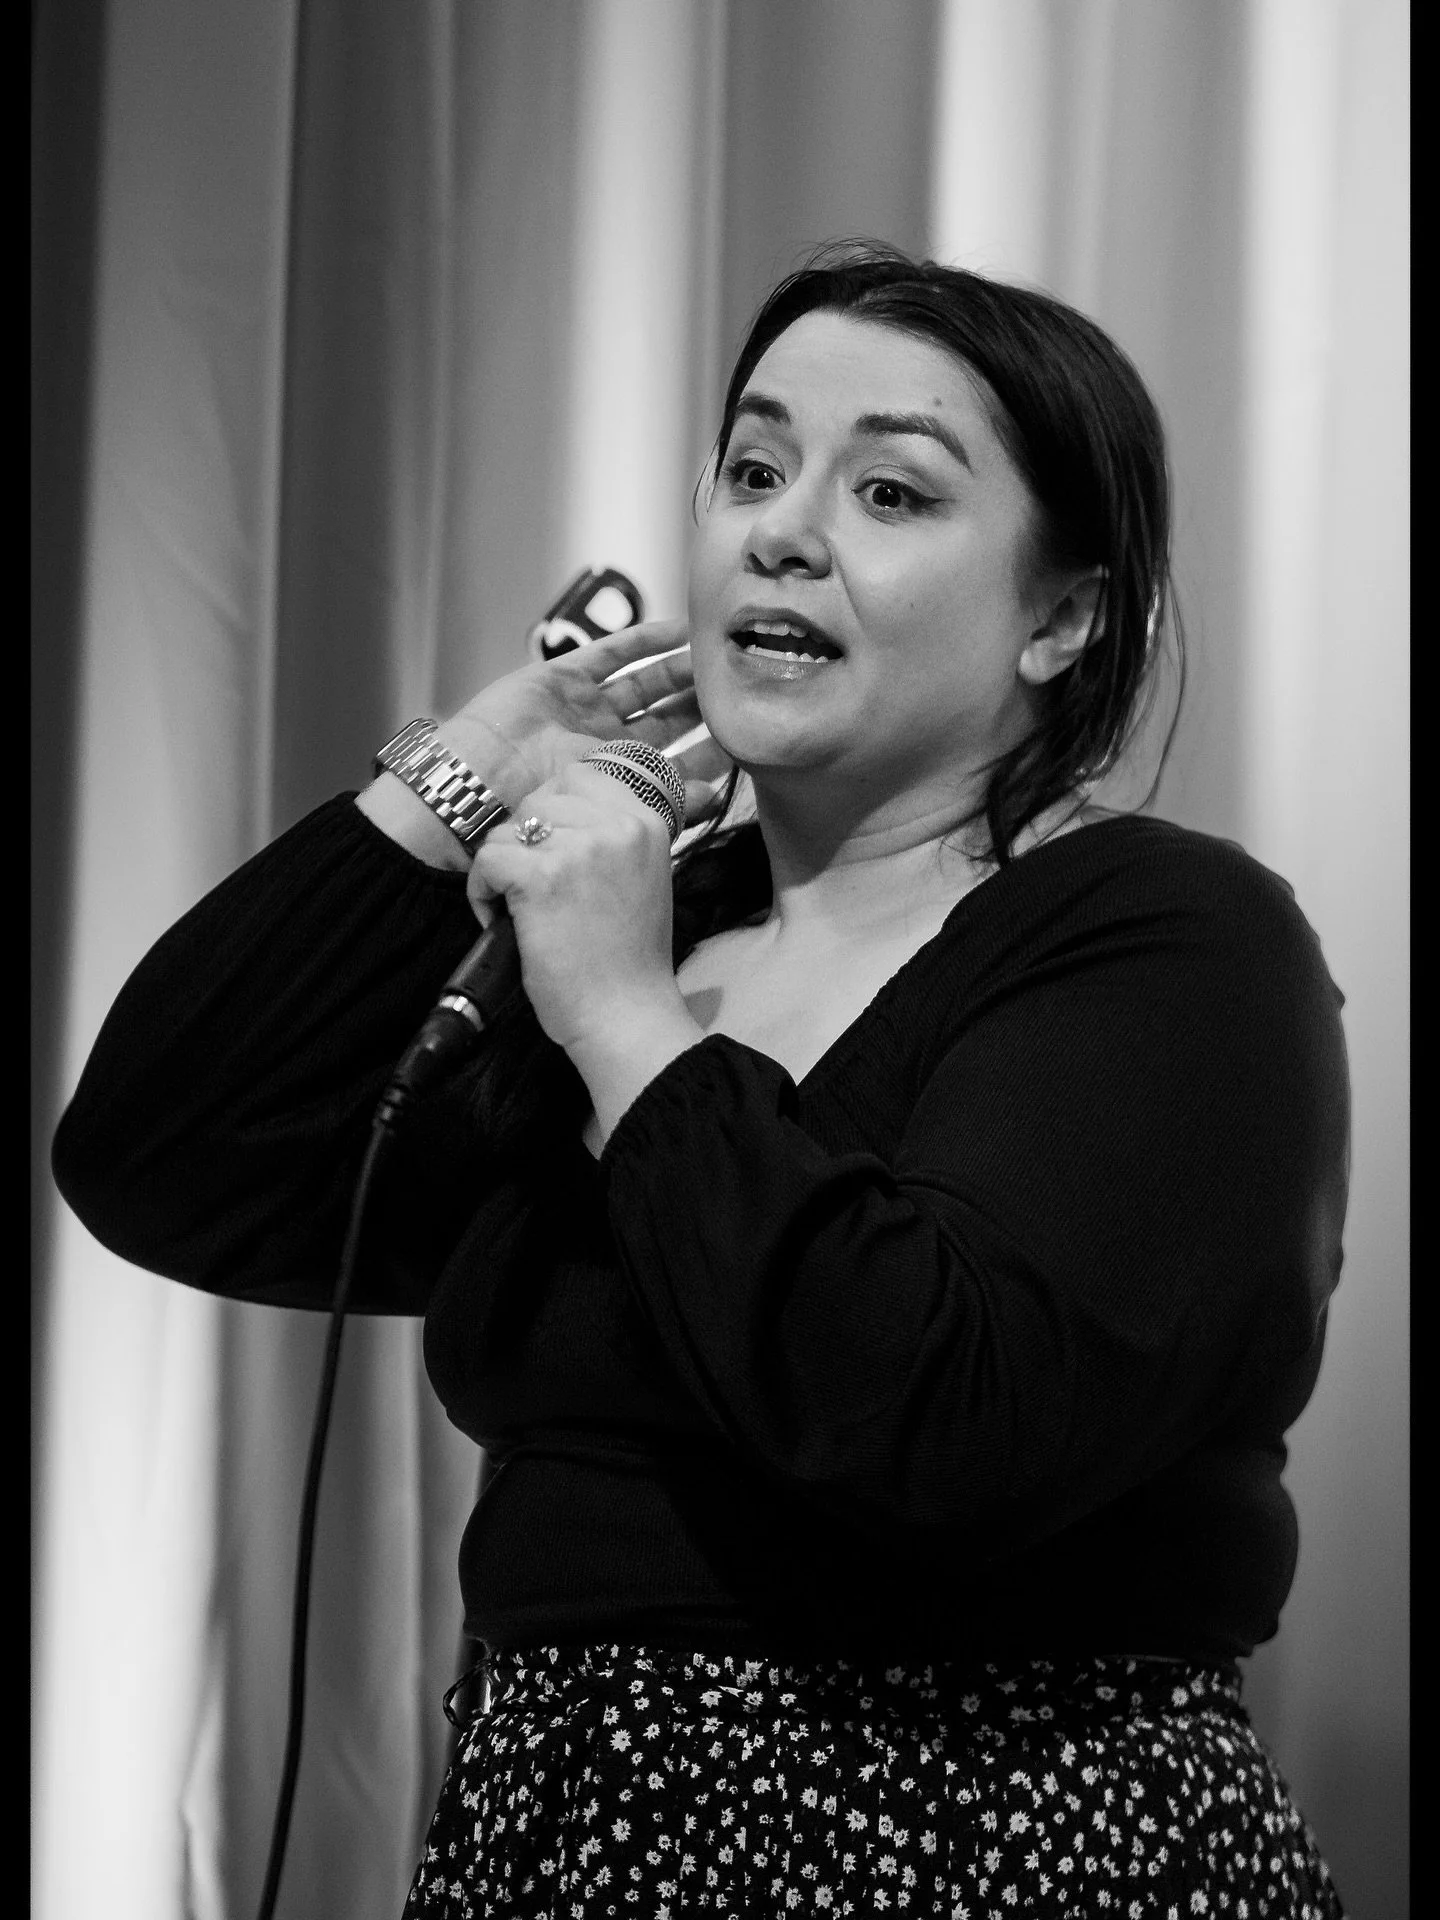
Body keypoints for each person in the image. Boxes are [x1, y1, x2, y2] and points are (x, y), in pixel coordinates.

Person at [52, 243, 1350, 1918]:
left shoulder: (1171, 944)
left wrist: (620, 1021)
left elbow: (947, 1419)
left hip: (995, 1852)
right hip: (565, 1846)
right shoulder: (658, 924)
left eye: (890, 490)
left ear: (1063, 617)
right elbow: (165, 1150)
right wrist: (466, 768)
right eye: (752, 468)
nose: (782, 528)